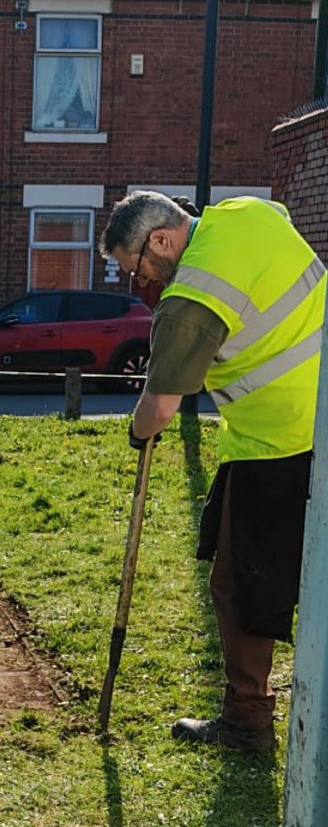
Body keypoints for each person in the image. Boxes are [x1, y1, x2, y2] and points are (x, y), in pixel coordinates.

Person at [99, 191, 326, 751]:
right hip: (319, 417)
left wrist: (137, 432)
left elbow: (160, 408)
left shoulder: (190, 299)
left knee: (242, 583)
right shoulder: (248, 211)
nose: (141, 282)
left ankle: (248, 720)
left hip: (278, 442)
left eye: (138, 267)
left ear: (161, 239)